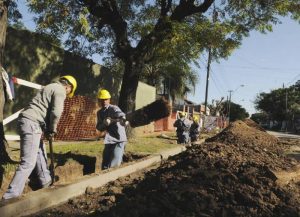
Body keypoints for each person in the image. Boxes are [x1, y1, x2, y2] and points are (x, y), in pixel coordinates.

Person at [2, 75, 77, 200]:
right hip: (32, 123)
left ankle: (46, 182)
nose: (68, 93)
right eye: (70, 91)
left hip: (29, 122)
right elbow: (56, 112)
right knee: (28, 162)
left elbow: (44, 109)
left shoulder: (49, 87)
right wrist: (52, 129)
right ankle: (10, 197)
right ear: (68, 87)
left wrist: (47, 129)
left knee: (39, 152)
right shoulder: (60, 90)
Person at [96, 89, 128, 170]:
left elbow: (121, 115)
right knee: (105, 163)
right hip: (109, 140)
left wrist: (123, 119)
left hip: (119, 139)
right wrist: (104, 123)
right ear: (98, 100)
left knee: (115, 163)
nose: (104, 101)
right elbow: (99, 127)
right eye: (101, 100)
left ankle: (113, 180)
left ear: (109, 100)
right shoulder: (99, 113)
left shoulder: (114, 108)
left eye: (106, 99)